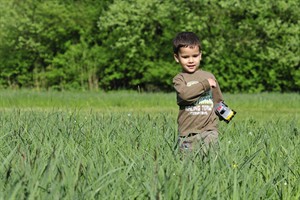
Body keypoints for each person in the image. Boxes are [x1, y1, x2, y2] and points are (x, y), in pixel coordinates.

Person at [172, 32, 224, 155]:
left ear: (200, 55)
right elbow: (184, 95)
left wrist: (225, 114)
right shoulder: (179, 79)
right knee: (188, 165)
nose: (191, 60)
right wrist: (204, 84)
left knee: (210, 160)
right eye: (185, 57)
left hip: (209, 130)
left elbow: (217, 100)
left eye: (195, 56)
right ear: (176, 57)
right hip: (188, 133)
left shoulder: (209, 76)